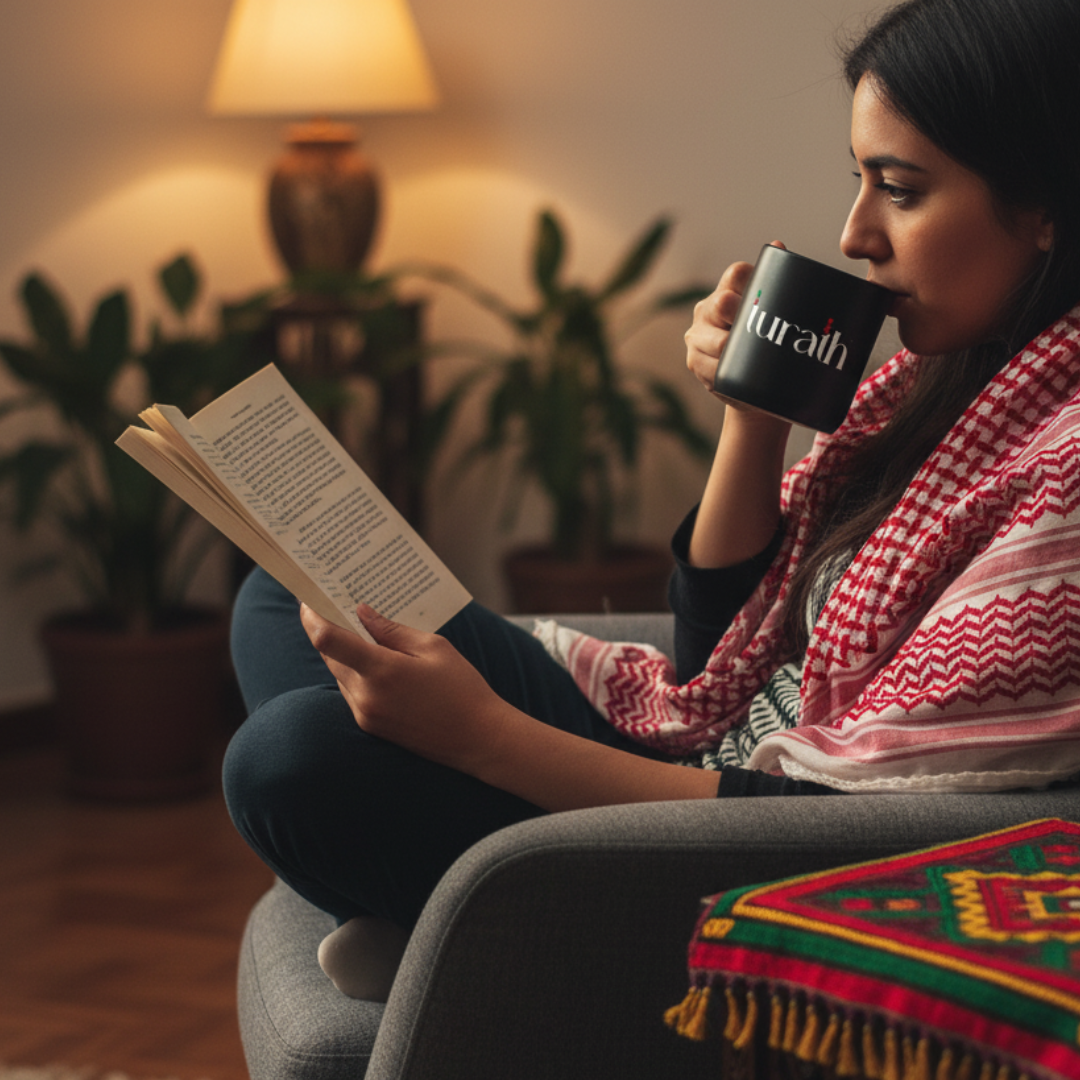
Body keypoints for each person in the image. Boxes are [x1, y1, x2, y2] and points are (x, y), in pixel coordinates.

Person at [223, 0, 1080, 949]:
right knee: (288, 590)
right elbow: (710, 654)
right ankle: (427, 915)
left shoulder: (1066, 471)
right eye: (859, 181)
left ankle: (459, 925)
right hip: (699, 746)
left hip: (747, 843)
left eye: (902, 190)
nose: (854, 235)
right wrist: (751, 421)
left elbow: (824, 820)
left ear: (1043, 208)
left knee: (290, 757)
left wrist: (479, 737)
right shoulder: (950, 379)